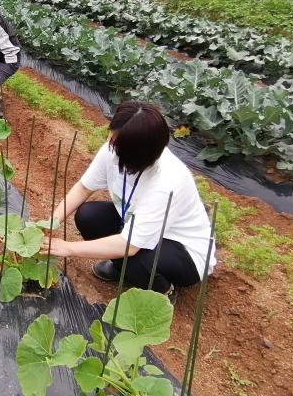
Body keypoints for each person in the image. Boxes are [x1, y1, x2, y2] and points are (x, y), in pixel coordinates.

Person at [42, 101, 216, 303]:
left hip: (184, 252)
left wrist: (68, 248)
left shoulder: (166, 183)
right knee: (88, 216)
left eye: (116, 143)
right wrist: (49, 223)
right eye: (112, 137)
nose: (110, 144)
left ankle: (162, 289)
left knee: (137, 260)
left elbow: (130, 246)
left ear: (136, 154)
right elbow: (83, 188)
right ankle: (121, 269)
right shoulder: (115, 147)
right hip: (136, 225)